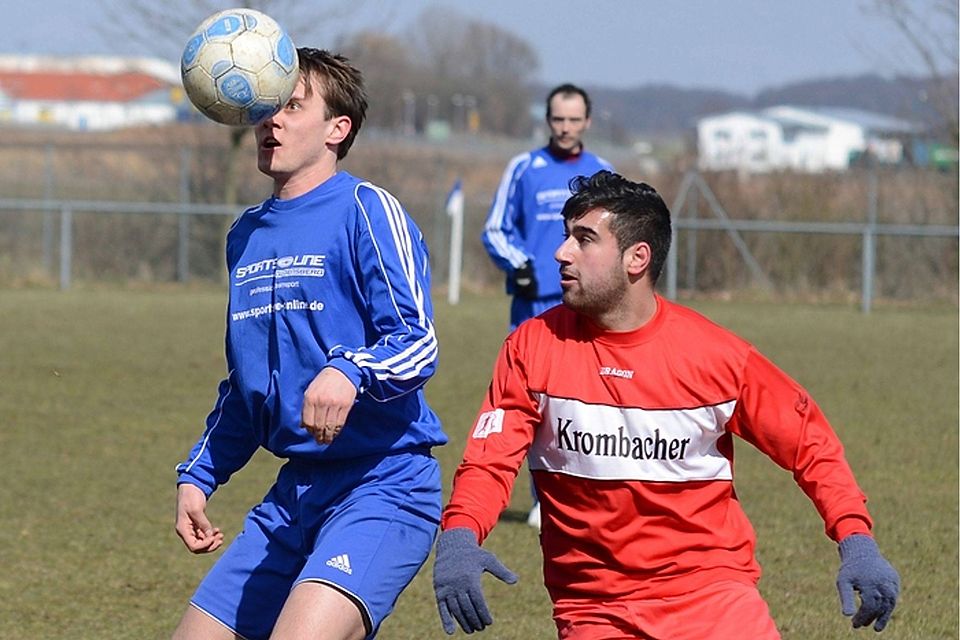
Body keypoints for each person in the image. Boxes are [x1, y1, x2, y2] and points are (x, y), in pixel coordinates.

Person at [433, 171, 900, 639]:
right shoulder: (532, 347)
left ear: (638, 258)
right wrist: (459, 536)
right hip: (595, 610)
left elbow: (810, 445)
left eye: (584, 239)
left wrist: (856, 539)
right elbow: (489, 462)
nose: (561, 252)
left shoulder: (717, 356)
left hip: (715, 598)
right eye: (565, 236)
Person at [172, 48, 446, 640]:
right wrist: (198, 475)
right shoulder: (244, 234)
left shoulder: (366, 209)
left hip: (383, 485)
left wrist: (351, 370)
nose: (272, 119)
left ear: (336, 129)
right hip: (293, 494)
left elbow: (418, 343)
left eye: (293, 106)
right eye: (268, 106)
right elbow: (246, 387)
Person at [481, 83, 613, 528]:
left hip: (587, 303)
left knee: (588, 399)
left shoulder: (603, 173)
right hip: (533, 303)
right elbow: (496, 229)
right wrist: (520, 263)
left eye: (574, 119)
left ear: (587, 122)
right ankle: (543, 497)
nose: (566, 127)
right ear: (548, 119)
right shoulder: (524, 168)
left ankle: (592, 492)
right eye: (558, 119)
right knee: (533, 401)